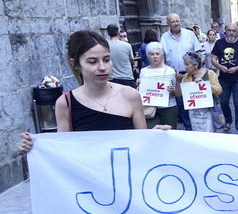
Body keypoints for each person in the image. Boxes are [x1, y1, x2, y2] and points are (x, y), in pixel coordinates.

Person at [19, 30, 153, 153]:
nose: (102, 67)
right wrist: (34, 147)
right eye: (92, 62)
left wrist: (159, 137)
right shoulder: (65, 103)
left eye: (106, 60)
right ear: (76, 64)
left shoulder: (131, 95)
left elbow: (143, 144)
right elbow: (62, 150)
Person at [161, 13, 202, 130]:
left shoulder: (190, 35)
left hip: (191, 73)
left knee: (194, 98)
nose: (175, 23)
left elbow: (198, 54)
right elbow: (163, 57)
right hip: (175, 75)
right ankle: (188, 127)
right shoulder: (164, 37)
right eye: (172, 22)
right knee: (181, 102)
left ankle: (198, 126)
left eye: (177, 21)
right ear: (168, 24)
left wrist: (198, 70)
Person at [212, 23, 238, 134]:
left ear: (237, 31)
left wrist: (236, 68)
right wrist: (220, 66)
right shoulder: (219, 43)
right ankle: (228, 120)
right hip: (223, 78)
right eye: (229, 30)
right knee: (223, 102)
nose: (231, 33)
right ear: (225, 31)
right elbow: (213, 58)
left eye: (234, 30)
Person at [176, 52, 222, 133]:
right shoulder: (186, 77)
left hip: (209, 110)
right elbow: (179, 94)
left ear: (196, 65)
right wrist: (177, 82)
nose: (185, 67)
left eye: (187, 64)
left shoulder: (210, 73)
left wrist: (206, 85)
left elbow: (219, 90)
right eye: (184, 64)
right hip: (194, 112)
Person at [138, 42, 178, 128]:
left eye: (157, 53)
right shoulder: (143, 71)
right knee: (153, 133)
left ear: (162, 55)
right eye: (152, 54)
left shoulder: (170, 71)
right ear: (148, 56)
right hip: (150, 108)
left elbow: (177, 92)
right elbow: (141, 92)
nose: (155, 56)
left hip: (168, 107)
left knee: (171, 133)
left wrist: (173, 89)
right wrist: (138, 85)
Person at [106, 24, 136, 88]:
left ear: (108, 33)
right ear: (118, 32)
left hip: (112, 78)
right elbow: (132, 60)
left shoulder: (106, 46)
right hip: (127, 76)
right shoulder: (127, 45)